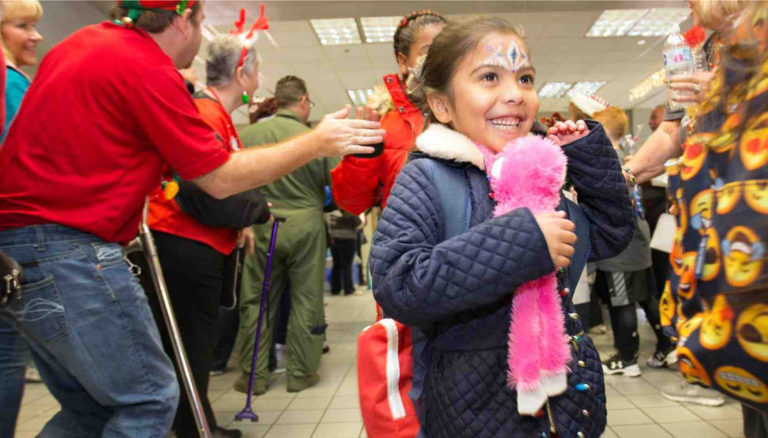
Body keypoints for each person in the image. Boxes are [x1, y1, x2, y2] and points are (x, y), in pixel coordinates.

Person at [0, 1, 383, 435]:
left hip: (22, 247)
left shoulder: (79, 45)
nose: (200, 38)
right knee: (148, 399)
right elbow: (217, 178)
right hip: (70, 249)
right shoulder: (144, 66)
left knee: (92, 409)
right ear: (182, 21)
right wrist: (317, 143)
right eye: (200, 23)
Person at [370, 17, 634, 437]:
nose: (514, 94)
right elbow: (398, 282)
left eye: (525, 78)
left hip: (568, 405)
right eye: (489, 77)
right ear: (442, 106)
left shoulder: (536, 175)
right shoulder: (426, 178)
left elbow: (608, 233)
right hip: (473, 411)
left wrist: (585, 155)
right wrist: (524, 241)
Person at [627, 0, 768, 430]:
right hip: (722, 221)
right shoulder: (703, 48)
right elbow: (674, 129)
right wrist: (622, 176)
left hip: (753, 212)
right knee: (748, 359)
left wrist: (732, 96)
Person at [144, 33, 270, 438]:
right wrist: (256, 210)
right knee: (188, 349)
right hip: (183, 245)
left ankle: (200, 425)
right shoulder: (205, 113)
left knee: (195, 347)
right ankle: (195, 430)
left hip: (200, 245)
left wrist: (242, 223)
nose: (259, 77)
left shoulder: (219, 116)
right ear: (241, 74)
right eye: (256, 70)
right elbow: (203, 188)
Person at [236, 75, 337, 395]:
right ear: (304, 101)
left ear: (277, 101)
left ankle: (254, 376)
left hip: (261, 223)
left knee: (257, 300)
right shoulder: (316, 139)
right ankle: (300, 373)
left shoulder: (249, 135)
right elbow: (335, 186)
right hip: (306, 225)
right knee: (307, 298)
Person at [331, 9, 446, 214]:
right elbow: (352, 204)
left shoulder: (471, 114)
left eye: (446, 50)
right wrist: (363, 157)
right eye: (428, 50)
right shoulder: (381, 125)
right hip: (404, 239)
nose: (439, 59)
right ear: (403, 62)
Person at [591, 106, 675, 376]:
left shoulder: (604, 163)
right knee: (646, 296)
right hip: (638, 242)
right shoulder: (626, 159)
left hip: (620, 249)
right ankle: (667, 343)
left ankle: (626, 359)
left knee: (622, 302)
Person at [0, 1, 41, 436]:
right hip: (11, 232)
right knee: (7, 354)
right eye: (22, 26)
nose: (36, 35)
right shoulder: (10, 84)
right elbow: (28, 163)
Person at [326, 210, 363, 295]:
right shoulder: (348, 209)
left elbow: (329, 224)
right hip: (348, 239)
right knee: (347, 265)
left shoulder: (331, 210)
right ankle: (349, 289)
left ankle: (335, 289)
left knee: (336, 265)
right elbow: (358, 222)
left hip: (334, 239)